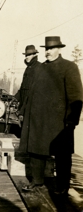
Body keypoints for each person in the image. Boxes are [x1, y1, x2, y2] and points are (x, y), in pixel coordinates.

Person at [20, 36, 83, 195]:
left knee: (62, 156)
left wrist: (72, 121)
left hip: (59, 122)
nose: (47, 52)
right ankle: (37, 182)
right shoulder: (40, 68)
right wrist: (24, 112)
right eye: (46, 49)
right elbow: (31, 92)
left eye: (51, 48)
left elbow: (76, 97)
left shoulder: (69, 67)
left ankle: (62, 187)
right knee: (36, 150)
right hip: (38, 119)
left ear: (59, 49)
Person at [15, 45, 41, 121]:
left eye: (29, 55)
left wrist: (23, 109)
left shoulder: (39, 67)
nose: (26, 57)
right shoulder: (28, 68)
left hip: (31, 108)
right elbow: (22, 88)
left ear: (35, 55)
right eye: (26, 55)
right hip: (24, 107)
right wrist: (14, 98)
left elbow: (33, 92)